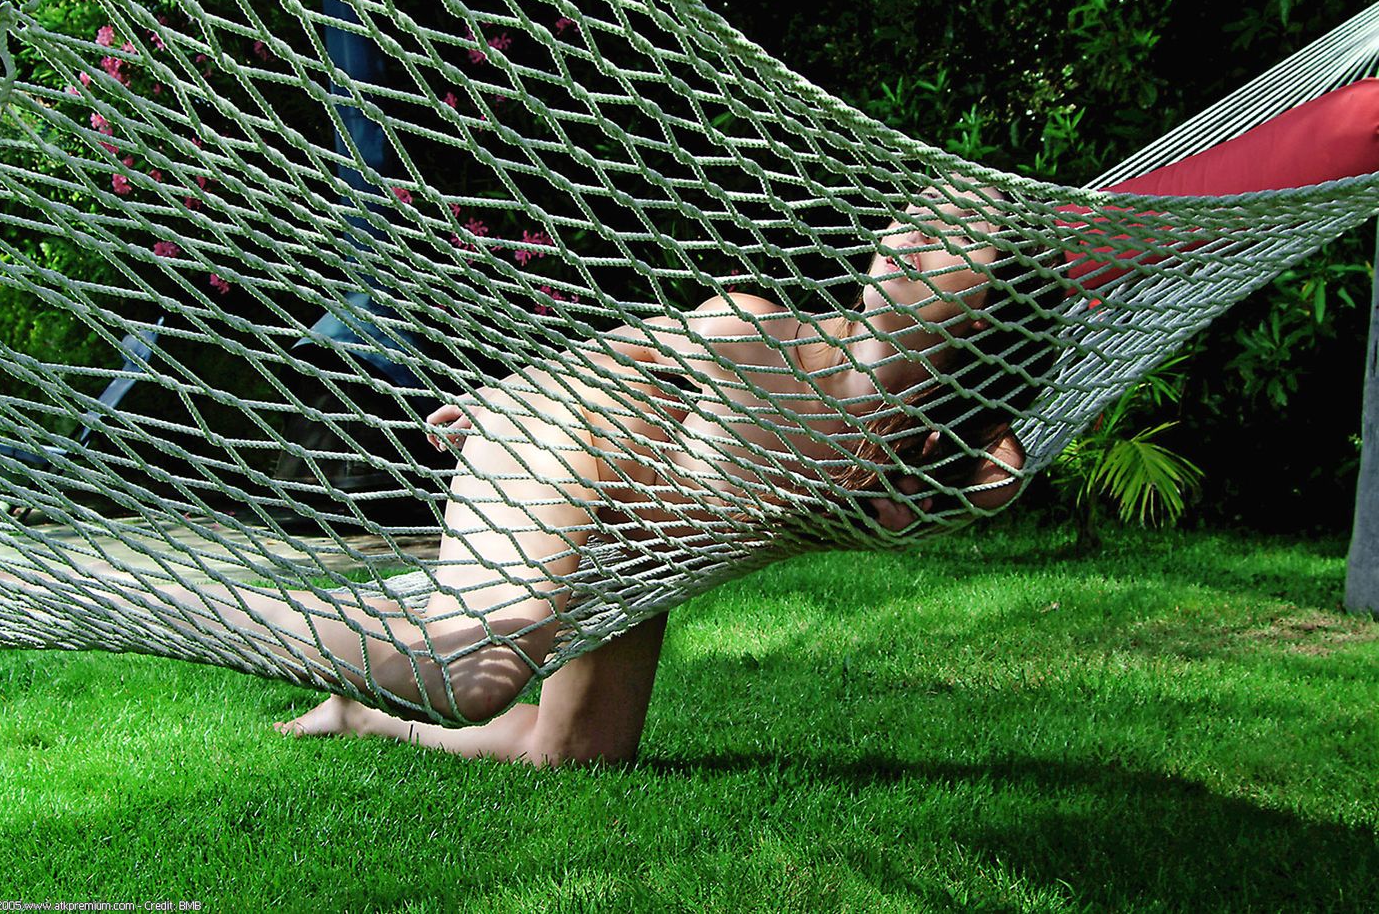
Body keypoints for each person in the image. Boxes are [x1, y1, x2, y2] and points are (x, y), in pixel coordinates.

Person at [250, 184, 1036, 765]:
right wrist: (505, 395)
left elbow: (989, 480)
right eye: (918, 214)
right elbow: (626, 349)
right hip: (565, 438)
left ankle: (359, 713)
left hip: (644, 543)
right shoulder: (760, 334)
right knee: (473, 674)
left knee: (573, 754)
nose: (914, 235)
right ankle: (216, 606)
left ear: (984, 312)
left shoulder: (955, 447)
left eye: (956, 236)